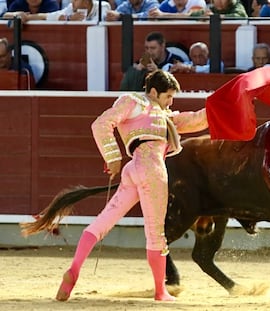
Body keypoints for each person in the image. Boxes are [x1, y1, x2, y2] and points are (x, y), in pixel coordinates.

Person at [55, 69, 209, 302]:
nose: (171, 102)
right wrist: (112, 157)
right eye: (168, 96)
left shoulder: (148, 109)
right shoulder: (141, 104)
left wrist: (115, 158)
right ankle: (160, 291)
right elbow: (100, 124)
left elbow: (198, 119)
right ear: (154, 91)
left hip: (132, 170)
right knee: (156, 234)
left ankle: (74, 270)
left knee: (102, 222)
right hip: (153, 171)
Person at [119, 31, 185, 91]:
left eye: (153, 48)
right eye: (146, 48)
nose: (149, 52)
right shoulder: (141, 63)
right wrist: (137, 72)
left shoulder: (176, 60)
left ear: (162, 46)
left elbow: (176, 87)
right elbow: (125, 88)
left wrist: (157, 72)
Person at [26, 0, 110, 21]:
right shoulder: (71, 7)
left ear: (86, 2)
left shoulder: (103, 6)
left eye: (76, 0)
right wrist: (27, 17)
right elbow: (48, 16)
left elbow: (96, 26)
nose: (72, 2)